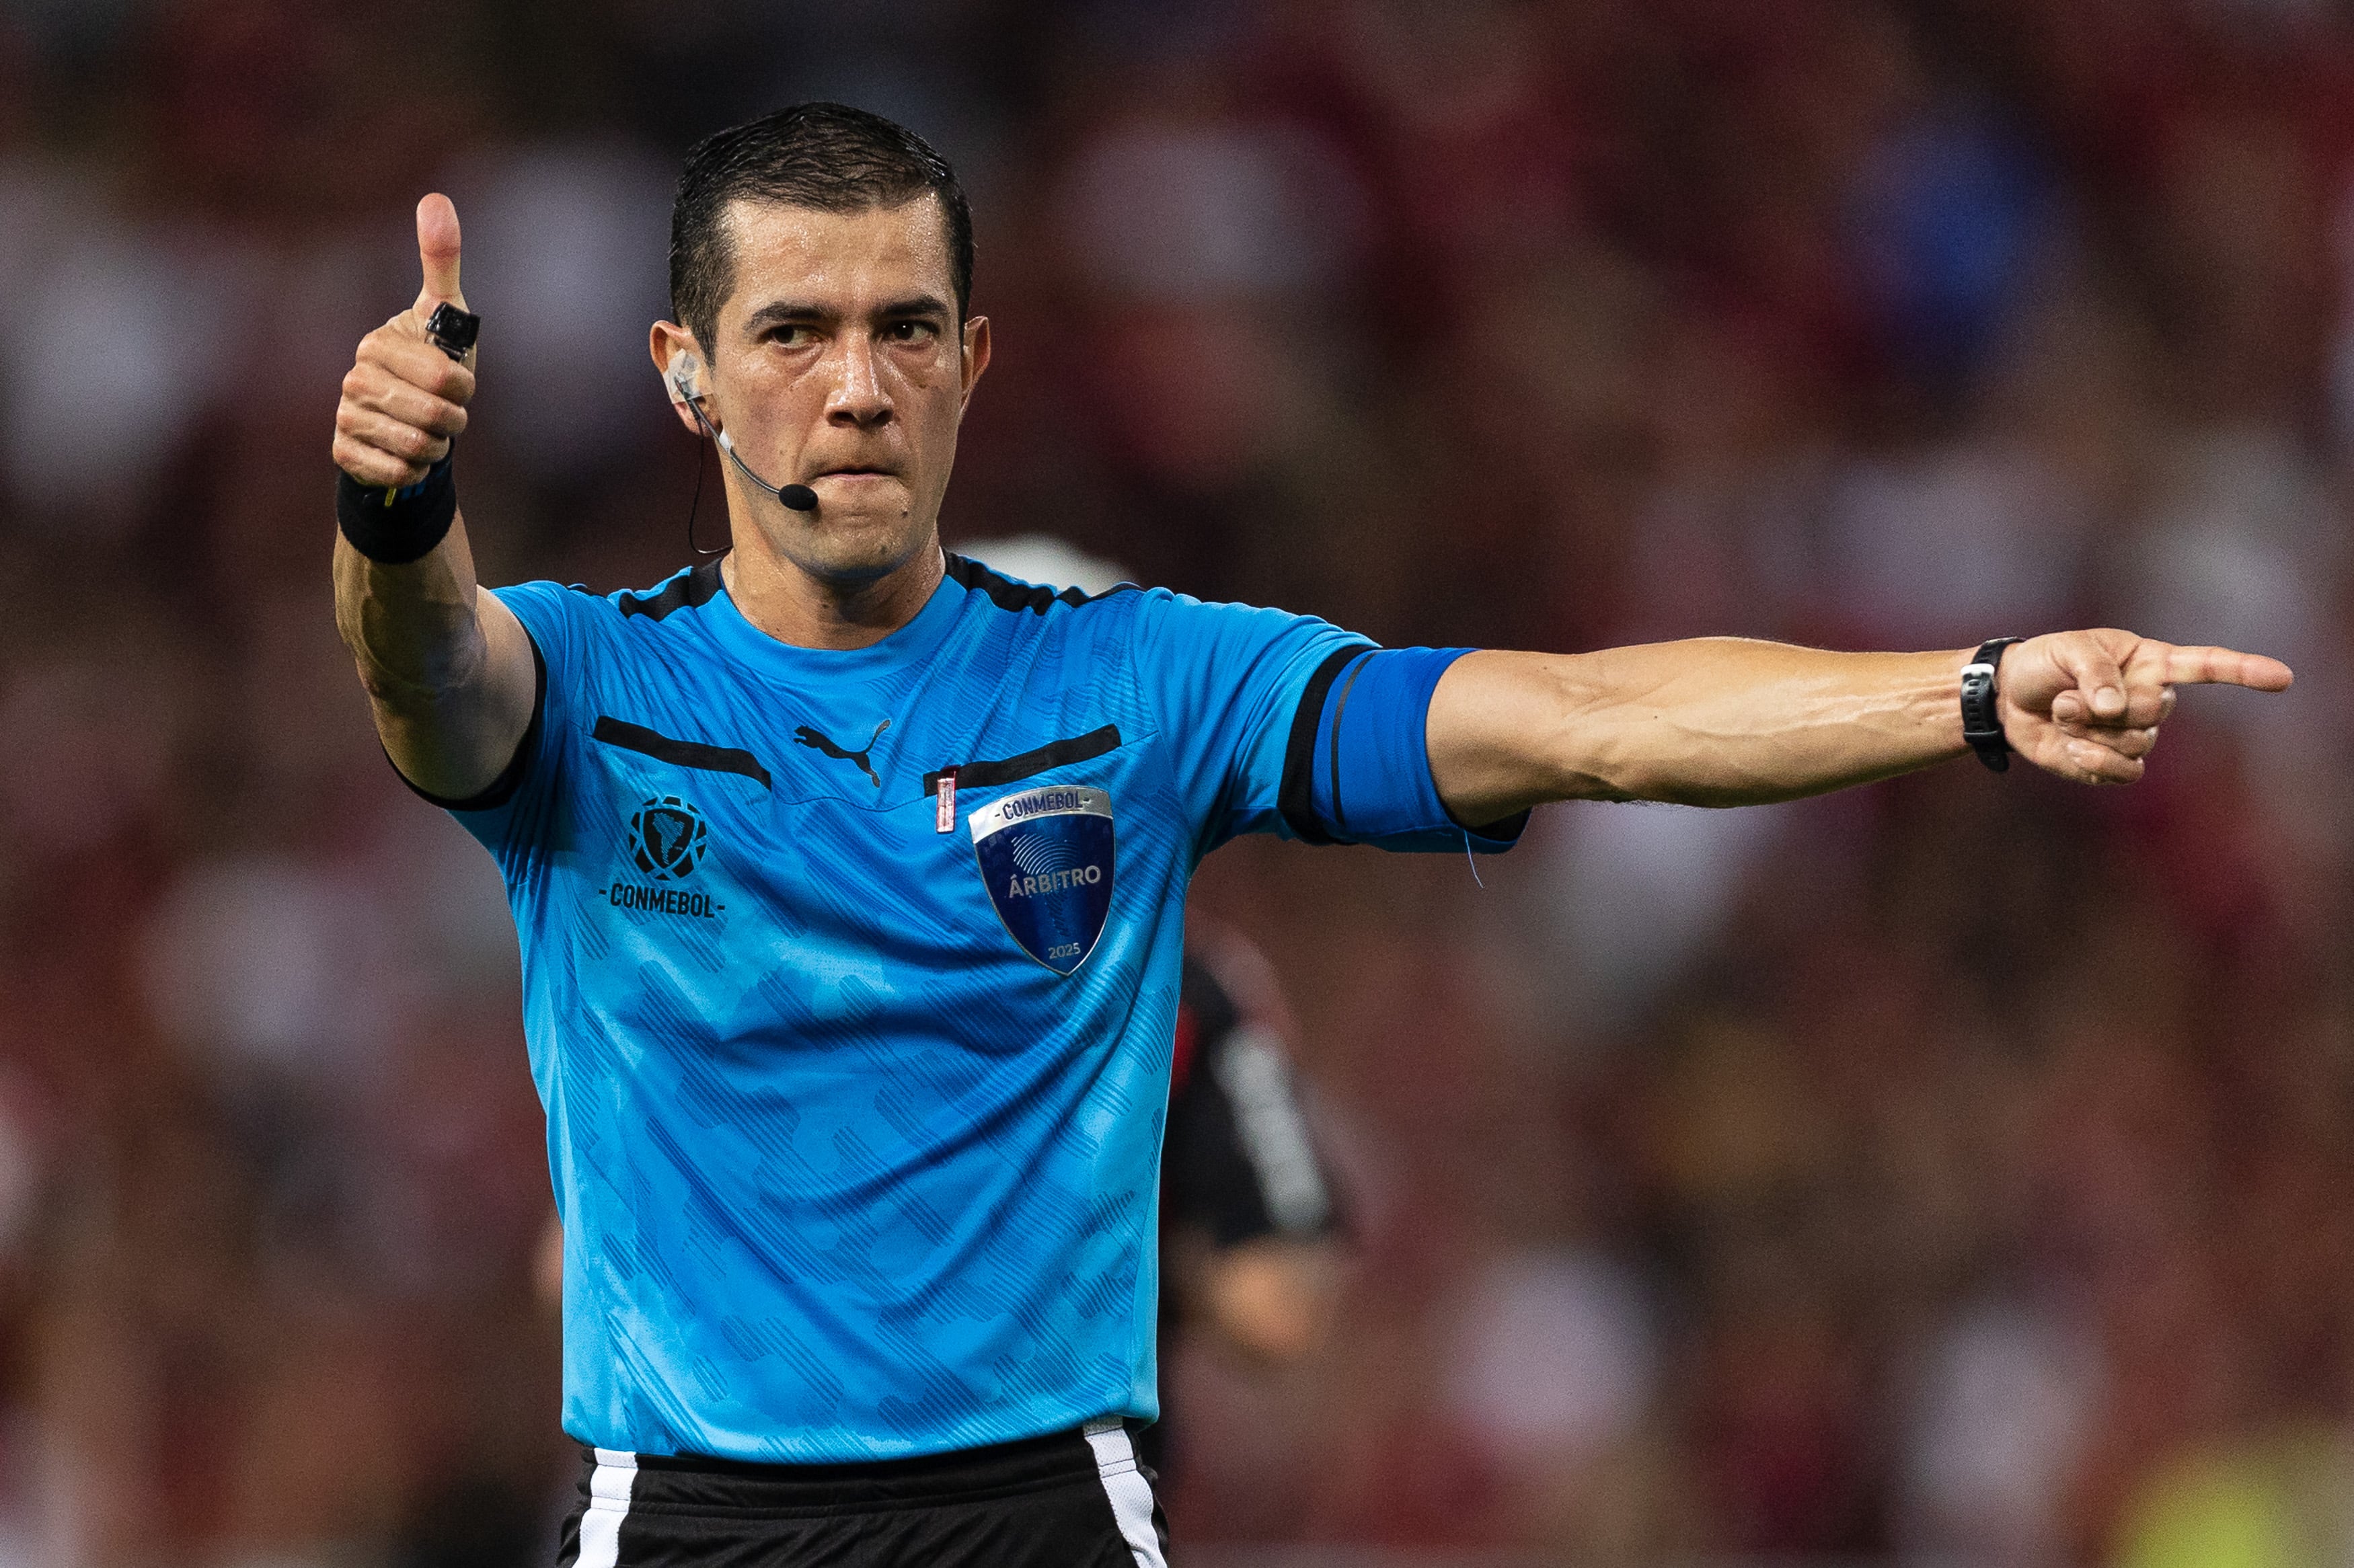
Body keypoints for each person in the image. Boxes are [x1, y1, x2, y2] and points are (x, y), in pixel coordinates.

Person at [328, 103, 2291, 1567]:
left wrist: (1959, 690)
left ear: (974, 363)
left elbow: (1580, 720)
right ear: (684, 372)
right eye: (790, 330)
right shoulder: (591, 692)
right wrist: (398, 510)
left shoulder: (1145, 684)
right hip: (679, 1511)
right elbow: (429, 676)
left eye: (906, 326)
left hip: (1049, 1502)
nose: (855, 385)